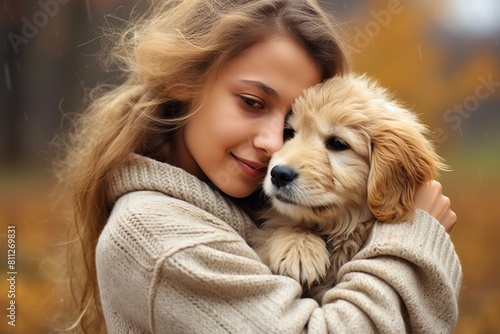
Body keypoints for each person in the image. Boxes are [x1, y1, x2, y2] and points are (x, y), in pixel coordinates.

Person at [58, 0, 462, 333]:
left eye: (289, 126)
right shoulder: (160, 239)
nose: (276, 148)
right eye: (252, 102)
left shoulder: (233, 197)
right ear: (186, 81)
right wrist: (412, 239)